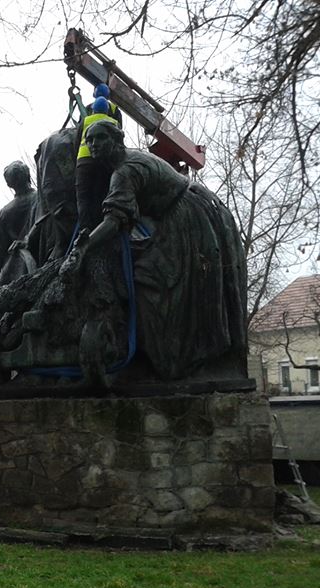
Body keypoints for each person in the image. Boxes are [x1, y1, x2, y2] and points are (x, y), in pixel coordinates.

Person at [62, 119, 247, 380]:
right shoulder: (128, 161)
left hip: (185, 220)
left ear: (117, 140)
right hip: (185, 211)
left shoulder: (124, 171)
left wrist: (84, 247)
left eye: (99, 138)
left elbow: (114, 220)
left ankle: (169, 362)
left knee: (151, 283)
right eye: (89, 140)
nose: (93, 145)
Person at [75, 95, 120, 232]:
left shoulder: (86, 120)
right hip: (105, 163)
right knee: (101, 194)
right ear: (107, 110)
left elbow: (76, 142)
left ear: (93, 110)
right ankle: (100, 227)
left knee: (83, 198)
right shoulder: (113, 122)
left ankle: (84, 230)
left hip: (84, 163)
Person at [0, 161, 37, 283]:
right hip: (43, 256)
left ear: (9, 184)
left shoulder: (4, 213)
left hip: (15, 271)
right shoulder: (41, 197)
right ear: (28, 176)